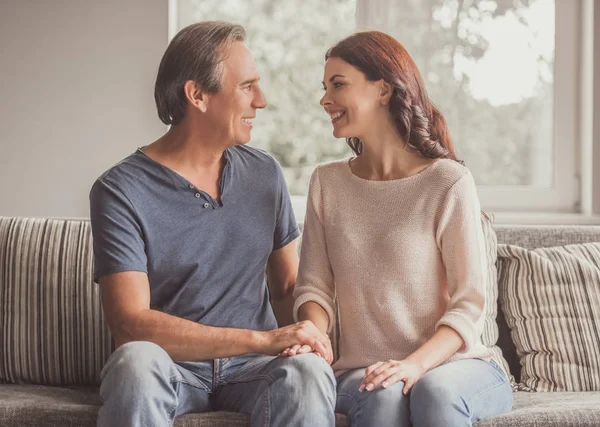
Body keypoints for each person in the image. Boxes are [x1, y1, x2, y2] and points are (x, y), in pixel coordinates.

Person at [89, 21, 336, 427]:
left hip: (254, 370)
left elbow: (288, 287)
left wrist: (314, 338)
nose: (262, 100)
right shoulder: (119, 190)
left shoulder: (265, 174)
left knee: (307, 373)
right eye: (247, 86)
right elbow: (130, 324)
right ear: (197, 95)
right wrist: (262, 339)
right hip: (172, 366)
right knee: (135, 361)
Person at [285, 30, 513, 426]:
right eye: (324, 88)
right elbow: (314, 288)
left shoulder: (448, 182)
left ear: (384, 90)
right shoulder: (327, 182)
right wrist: (313, 338)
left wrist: (413, 365)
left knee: (433, 390)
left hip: (456, 366)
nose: (325, 100)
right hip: (363, 370)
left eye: (338, 85)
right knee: (383, 392)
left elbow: (468, 305)